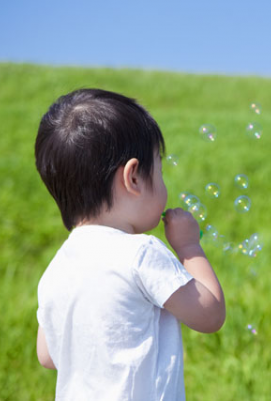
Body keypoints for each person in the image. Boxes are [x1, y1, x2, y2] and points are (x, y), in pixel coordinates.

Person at [34, 88, 225, 400]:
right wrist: (190, 247)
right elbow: (210, 315)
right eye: (159, 171)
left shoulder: (56, 270)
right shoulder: (141, 253)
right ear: (133, 178)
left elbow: (47, 355)